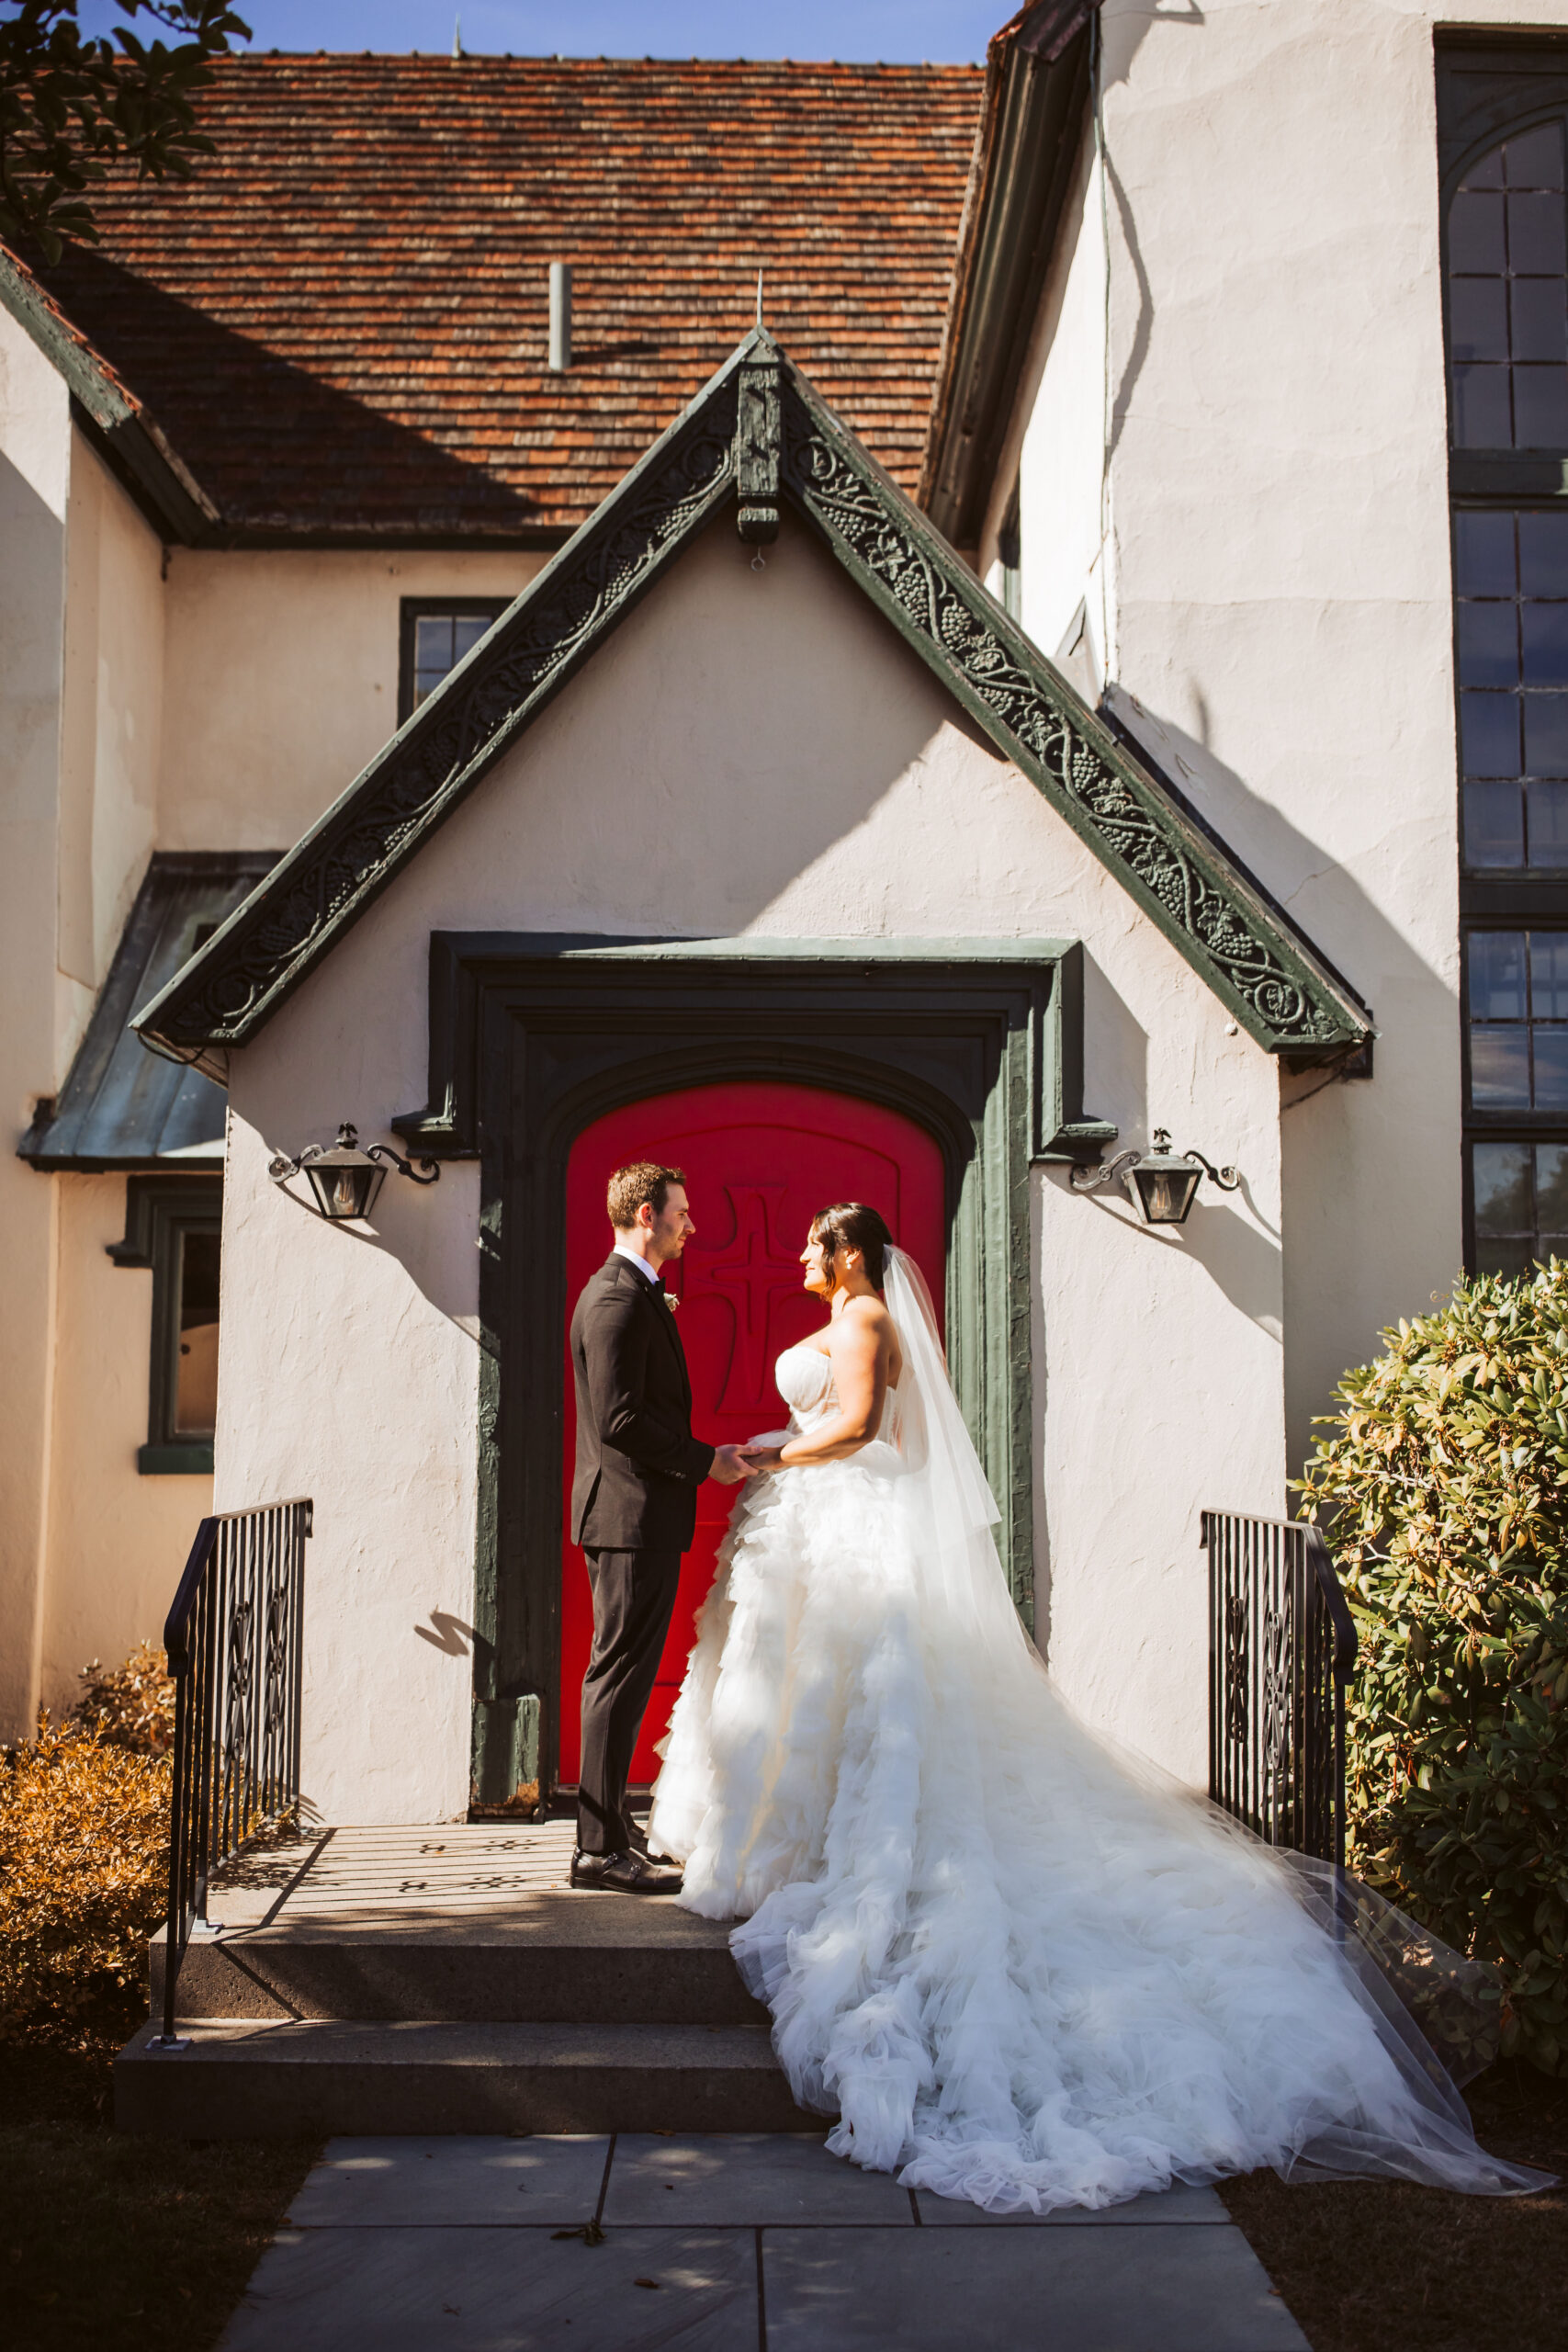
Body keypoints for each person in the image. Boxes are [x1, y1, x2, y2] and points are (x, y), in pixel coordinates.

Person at [648, 1201, 1551, 2212]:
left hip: (845, 1512)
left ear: (848, 1254)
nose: (800, 1253)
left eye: (812, 1241)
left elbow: (856, 1427)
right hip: (828, 1522)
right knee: (822, 1695)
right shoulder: (859, 1316)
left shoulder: (862, 1322)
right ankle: (790, 1835)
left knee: (874, 1704)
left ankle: (836, 1851)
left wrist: (778, 1453)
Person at [568, 1160, 750, 1894]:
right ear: (647, 1214)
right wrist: (705, 1461)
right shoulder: (615, 1299)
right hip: (627, 1515)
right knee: (615, 1674)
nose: (690, 1225)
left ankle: (612, 1830)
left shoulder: (636, 1294)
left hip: (637, 1516)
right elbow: (619, 1421)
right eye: (681, 1212)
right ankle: (594, 1851)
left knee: (627, 1673)